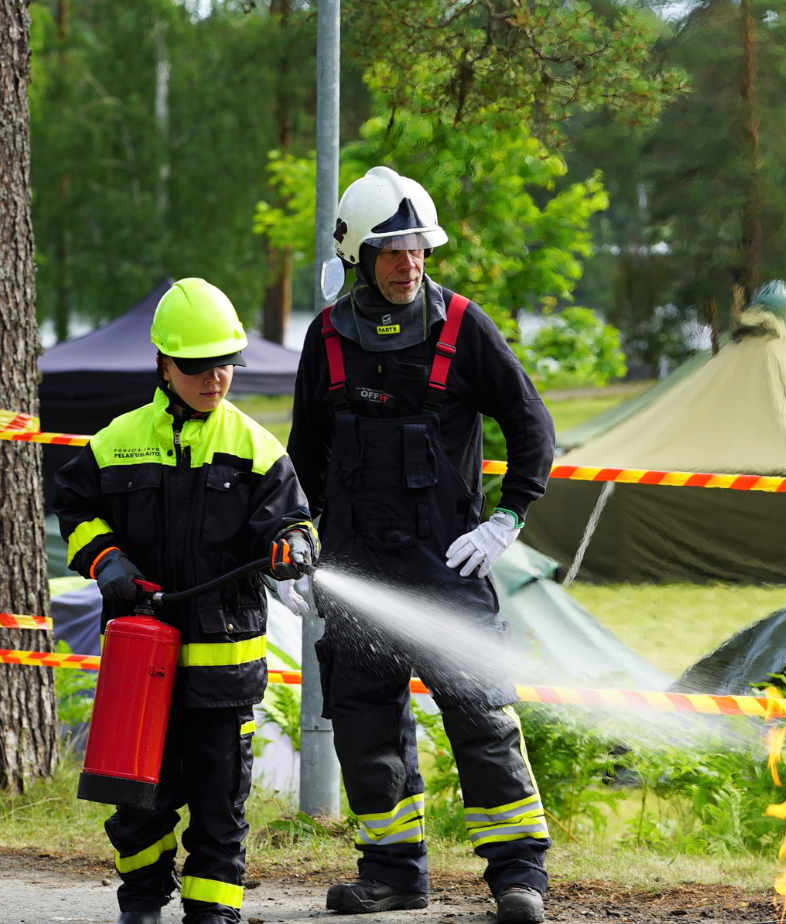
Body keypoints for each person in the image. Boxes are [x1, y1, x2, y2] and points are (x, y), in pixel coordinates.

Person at [286, 166, 556, 920]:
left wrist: (508, 520)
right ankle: (394, 874)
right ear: (357, 258)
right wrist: (295, 541)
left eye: (419, 248)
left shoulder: (464, 326)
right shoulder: (326, 338)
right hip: (356, 567)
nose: (410, 263)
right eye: (393, 250)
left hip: (447, 563)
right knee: (367, 725)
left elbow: (531, 426)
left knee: (482, 715)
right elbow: (303, 455)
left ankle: (519, 878)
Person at [55, 278, 319, 924]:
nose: (215, 377)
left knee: (219, 811)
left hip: (223, 675)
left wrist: (294, 545)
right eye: (197, 366)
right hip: (139, 670)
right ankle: (141, 906)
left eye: (224, 363)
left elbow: (294, 524)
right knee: (136, 806)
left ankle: (212, 915)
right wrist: (103, 557)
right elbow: (75, 505)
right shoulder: (116, 441)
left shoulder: (258, 450)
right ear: (163, 365)